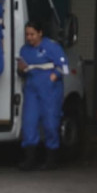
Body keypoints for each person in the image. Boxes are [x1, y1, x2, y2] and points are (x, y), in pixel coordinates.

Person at [16, 19, 69, 170]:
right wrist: (20, 69)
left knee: (50, 124)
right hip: (32, 89)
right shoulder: (24, 51)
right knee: (29, 123)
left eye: (32, 34)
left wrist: (52, 78)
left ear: (40, 33)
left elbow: (64, 67)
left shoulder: (51, 47)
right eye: (27, 34)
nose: (29, 37)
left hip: (49, 90)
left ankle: (51, 159)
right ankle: (30, 159)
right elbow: (21, 72)